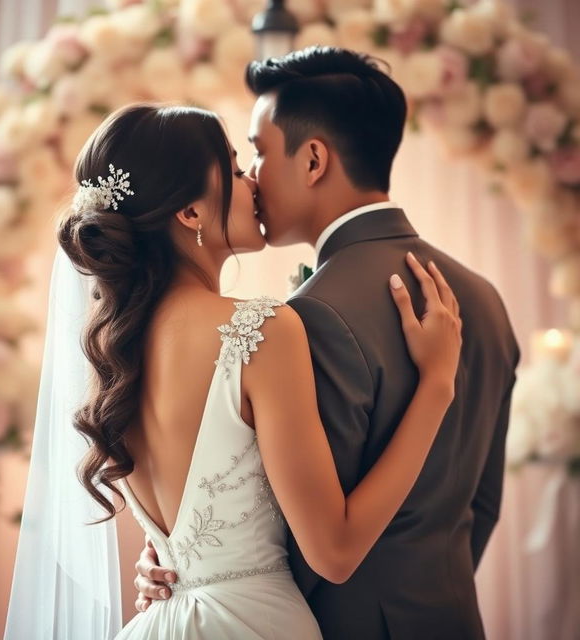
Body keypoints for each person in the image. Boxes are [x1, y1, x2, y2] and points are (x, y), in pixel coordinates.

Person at [4, 98, 462, 640]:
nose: (252, 184)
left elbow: (187, 536)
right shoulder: (262, 329)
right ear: (191, 213)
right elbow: (334, 553)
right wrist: (435, 385)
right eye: (237, 170)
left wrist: (164, 558)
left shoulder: (113, 356)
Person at [135, 47, 521, 639]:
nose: (252, 178)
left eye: (257, 154)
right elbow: (482, 504)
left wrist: (193, 575)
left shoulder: (308, 316)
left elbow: (304, 541)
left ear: (313, 159)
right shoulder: (483, 299)